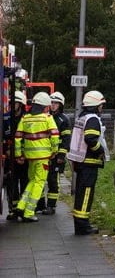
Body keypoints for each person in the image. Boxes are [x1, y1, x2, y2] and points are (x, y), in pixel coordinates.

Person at [11, 92, 60, 222]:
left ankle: (21, 206)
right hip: (43, 157)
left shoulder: (25, 118)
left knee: (32, 181)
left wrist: (18, 155)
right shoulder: (47, 118)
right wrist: (55, 151)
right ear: (45, 107)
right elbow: (55, 136)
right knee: (39, 183)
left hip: (29, 157)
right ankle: (28, 212)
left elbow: (17, 138)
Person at [67, 90, 107, 235]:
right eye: (101, 105)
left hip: (80, 161)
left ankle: (80, 224)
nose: (102, 108)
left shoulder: (82, 117)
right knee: (86, 194)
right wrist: (100, 150)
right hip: (88, 162)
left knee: (80, 194)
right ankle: (83, 226)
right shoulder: (93, 119)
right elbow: (90, 139)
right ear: (96, 105)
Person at [41, 92, 72, 215]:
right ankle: (40, 204)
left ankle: (51, 206)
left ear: (60, 105)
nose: (53, 105)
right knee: (41, 180)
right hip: (44, 154)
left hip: (56, 156)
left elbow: (66, 139)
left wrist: (61, 156)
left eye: (56, 103)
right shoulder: (45, 117)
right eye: (52, 103)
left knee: (53, 181)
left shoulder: (63, 119)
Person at [3, 90, 28, 219]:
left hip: (24, 157)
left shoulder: (27, 118)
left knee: (24, 183)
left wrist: (24, 154)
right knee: (11, 183)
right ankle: (13, 210)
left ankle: (22, 209)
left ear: (21, 104)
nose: (13, 105)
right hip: (10, 156)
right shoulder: (5, 117)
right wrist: (5, 150)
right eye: (12, 103)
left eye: (16, 103)